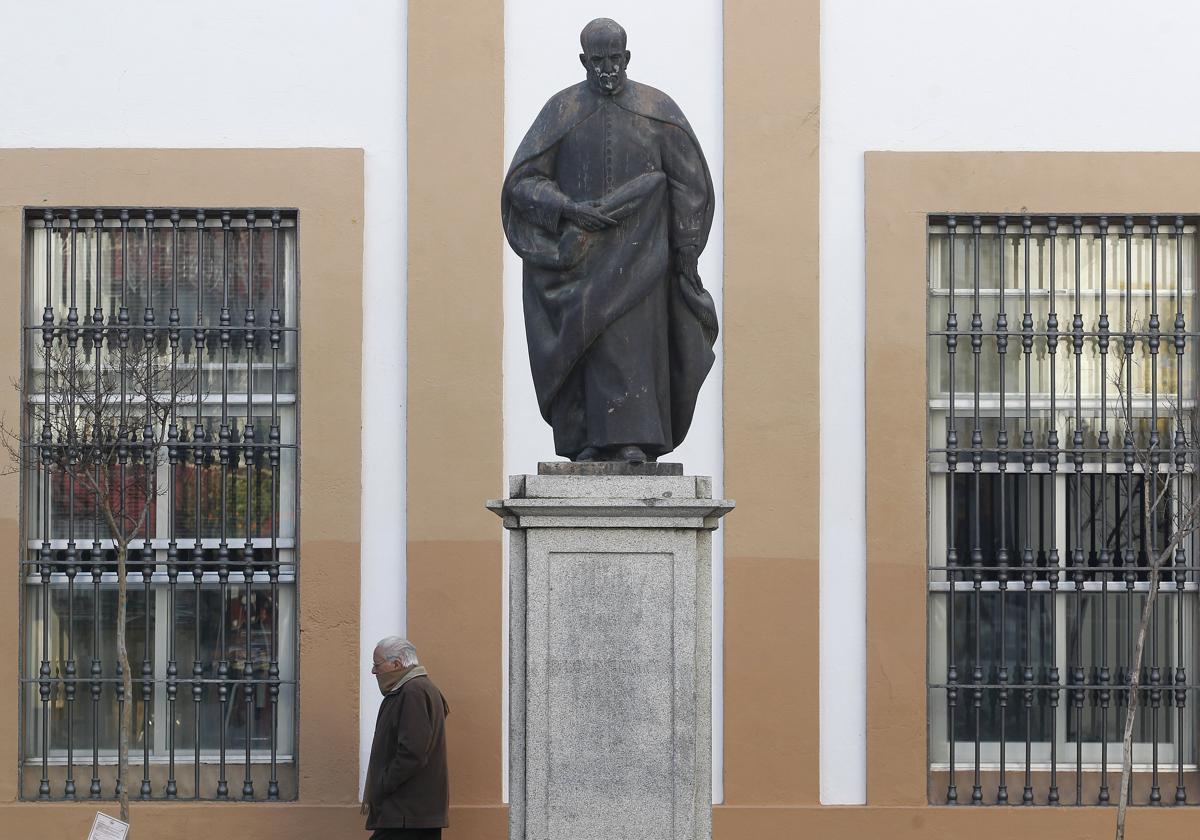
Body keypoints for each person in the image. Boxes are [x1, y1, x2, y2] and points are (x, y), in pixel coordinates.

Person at [502, 17, 718, 464]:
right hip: (578, 258)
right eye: (597, 61)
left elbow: (690, 184)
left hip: (644, 255)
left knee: (633, 344)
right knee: (586, 347)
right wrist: (566, 207)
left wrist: (687, 249)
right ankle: (587, 440)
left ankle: (634, 440)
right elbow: (523, 183)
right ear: (583, 61)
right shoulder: (561, 112)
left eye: (615, 60)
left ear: (627, 57)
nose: (607, 70)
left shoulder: (658, 111)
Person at [363, 637, 449, 840]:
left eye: (377, 665)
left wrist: (382, 785)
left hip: (406, 812)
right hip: (414, 812)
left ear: (397, 664)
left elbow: (412, 752)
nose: (374, 672)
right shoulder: (417, 689)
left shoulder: (413, 692)